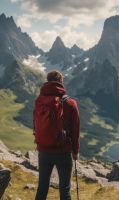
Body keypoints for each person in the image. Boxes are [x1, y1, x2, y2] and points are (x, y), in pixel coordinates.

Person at [34, 70, 80, 200]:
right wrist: (75, 151)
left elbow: (36, 123)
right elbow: (76, 130)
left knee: (42, 188)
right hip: (63, 152)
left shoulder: (39, 100)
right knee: (65, 189)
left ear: (47, 82)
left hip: (43, 150)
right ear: (61, 82)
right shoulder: (70, 103)